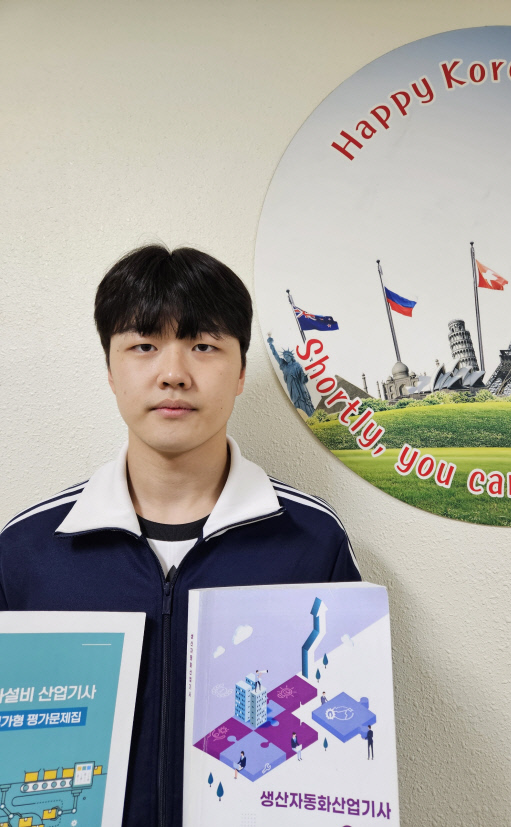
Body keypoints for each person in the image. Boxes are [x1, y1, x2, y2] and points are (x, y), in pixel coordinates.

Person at [0, 245, 361, 827]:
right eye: (144, 345)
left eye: (203, 345)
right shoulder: (29, 549)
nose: (173, 373)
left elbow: (344, 746)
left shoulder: (311, 541)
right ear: (110, 370)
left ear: (241, 372)